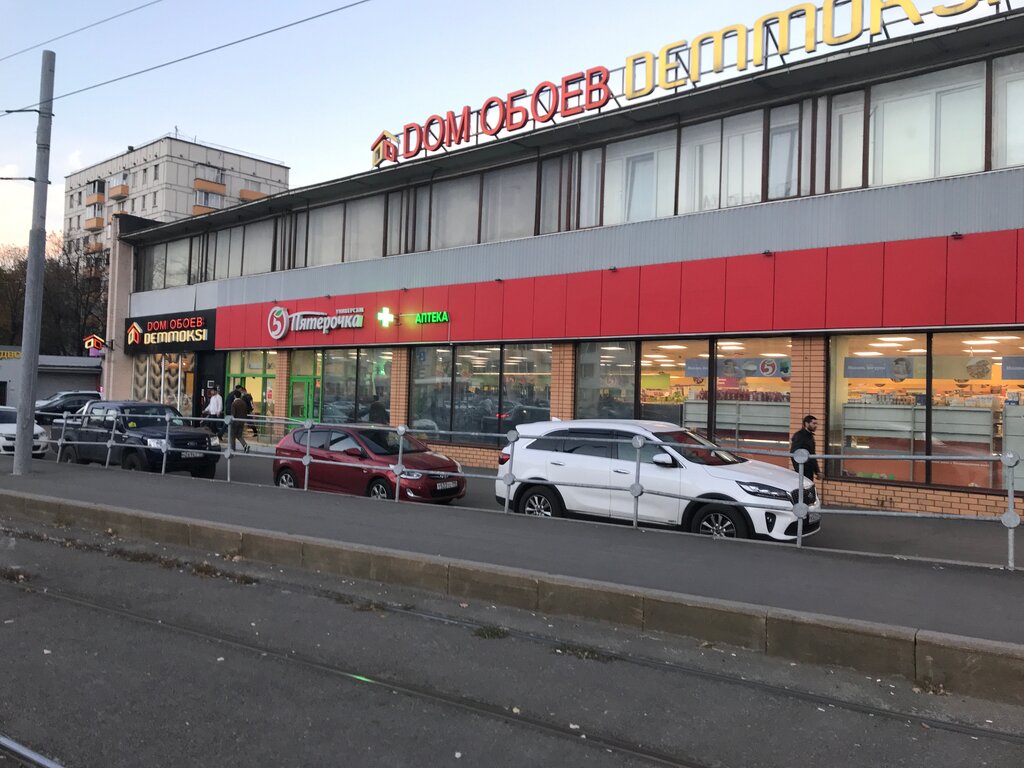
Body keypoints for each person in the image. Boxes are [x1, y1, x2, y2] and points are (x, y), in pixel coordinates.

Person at [790, 414, 821, 480]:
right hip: (802, 470)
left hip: (809, 470)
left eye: (816, 424)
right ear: (806, 424)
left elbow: (812, 454)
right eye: (814, 423)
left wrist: (817, 471)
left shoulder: (810, 436)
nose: (816, 426)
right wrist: (799, 471)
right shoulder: (799, 435)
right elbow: (794, 453)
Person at [229, 388, 250, 453]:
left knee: (232, 436)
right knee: (239, 435)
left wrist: (231, 420)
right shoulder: (243, 403)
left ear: (235, 396)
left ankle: (232, 450)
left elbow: (233, 414)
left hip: (235, 422)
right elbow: (246, 412)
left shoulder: (234, 403)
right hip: (242, 421)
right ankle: (245, 445)